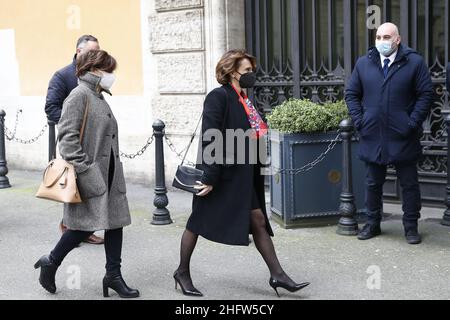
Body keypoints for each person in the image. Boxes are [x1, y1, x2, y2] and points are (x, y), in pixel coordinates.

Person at [173, 49, 310, 298]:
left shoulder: (244, 98)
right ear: (231, 72)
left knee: (257, 219)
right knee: (197, 222)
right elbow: (210, 137)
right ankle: (182, 272)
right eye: (247, 70)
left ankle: (277, 275)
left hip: (243, 175)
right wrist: (210, 177)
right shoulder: (218, 97)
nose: (251, 74)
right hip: (221, 175)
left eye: (251, 70)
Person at [34, 50, 139, 298]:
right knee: (82, 227)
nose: (112, 75)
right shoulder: (79, 96)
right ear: (93, 70)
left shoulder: (98, 96)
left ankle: (113, 276)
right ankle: (51, 261)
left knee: (116, 223)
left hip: (111, 174)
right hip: (91, 175)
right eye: (108, 70)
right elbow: (68, 142)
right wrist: (88, 172)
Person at [345, 22, 434, 245]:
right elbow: (351, 93)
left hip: (403, 134)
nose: (382, 41)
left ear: (397, 39)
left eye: (387, 37)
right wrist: (360, 120)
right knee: (372, 183)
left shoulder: (414, 62)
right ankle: (372, 223)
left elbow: (425, 95)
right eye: (378, 37)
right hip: (372, 133)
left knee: (409, 184)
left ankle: (411, 227)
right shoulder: (364, 63)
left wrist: (411, 122)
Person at [44, 34, 104, 245]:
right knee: (74, 185)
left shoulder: (96, 75)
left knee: (89, 186)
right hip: (73, 141)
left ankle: (83, 228)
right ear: (79, 51)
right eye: (92, 51)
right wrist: (74, 122)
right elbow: (51, 108)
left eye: (99, 51)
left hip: (94, 143)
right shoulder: (62, 76)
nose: (97, 55)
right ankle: (69, 226)